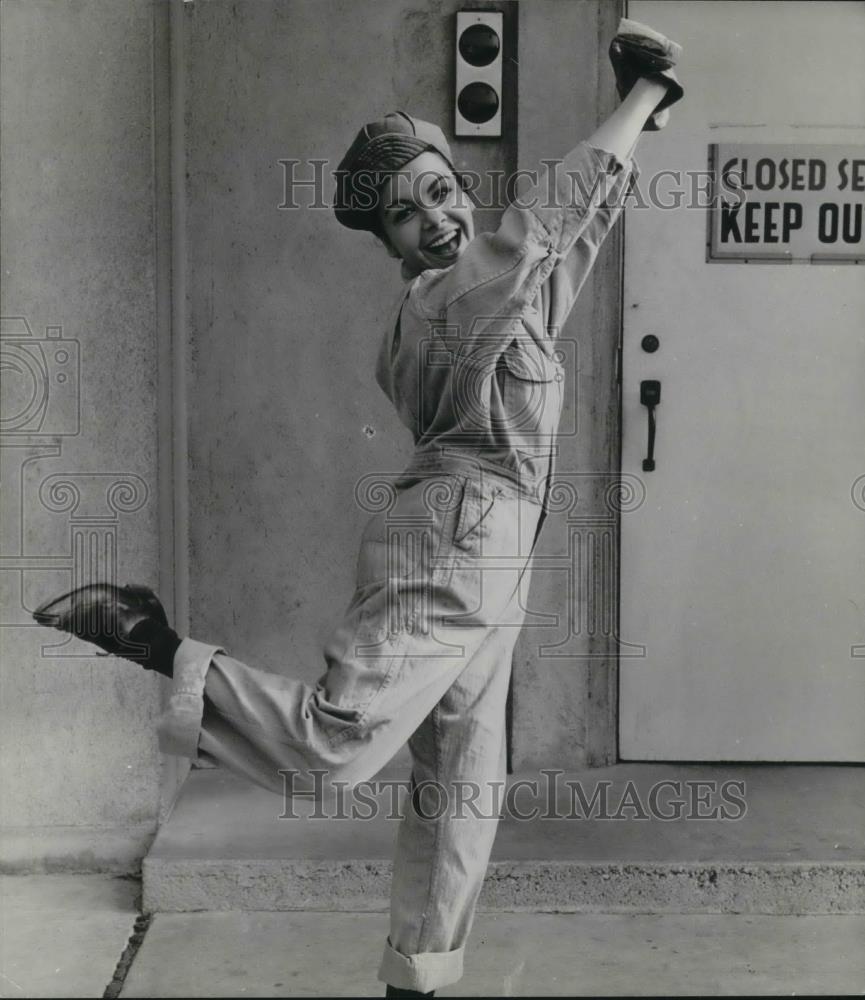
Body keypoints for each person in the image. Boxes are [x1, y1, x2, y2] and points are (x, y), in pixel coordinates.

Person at [32, 18, 682, 998]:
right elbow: (545, 225)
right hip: (451, 546)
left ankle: (418, 975)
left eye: (440, 190)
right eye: (404, 216)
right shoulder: (446, 301)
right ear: (389, 246)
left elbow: (570, 243)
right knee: (340, 745)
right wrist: (638, 97)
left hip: (492, 551)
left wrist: (638, 123)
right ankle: (152, 639)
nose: (435, 218)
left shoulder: (493, 304)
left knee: (463, 785)